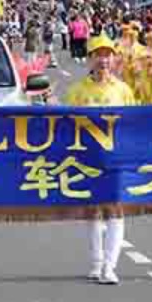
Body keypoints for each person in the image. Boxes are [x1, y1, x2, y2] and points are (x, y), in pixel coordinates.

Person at [63, 34, 136, 285]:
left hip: (115, 158)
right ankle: (95, 263)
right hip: (87, 158)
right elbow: (65, 125)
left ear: (114, 59)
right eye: (98, 54)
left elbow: (133, 124)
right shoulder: (77, 91)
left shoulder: (123, 90)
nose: (104, 59)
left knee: (115, 209)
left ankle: (110, 266)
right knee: (93, 210)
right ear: (90, 60)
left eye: (108, 54)